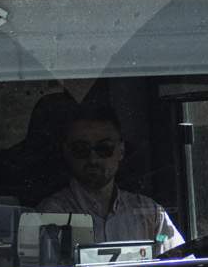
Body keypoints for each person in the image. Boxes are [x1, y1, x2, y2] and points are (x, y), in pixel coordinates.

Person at [32, 104, 183, 250]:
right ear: (66, 152)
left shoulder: (149, 213)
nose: (93, 160)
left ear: (121, 151)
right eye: (80, 149)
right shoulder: (49, 216)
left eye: (104, 148)